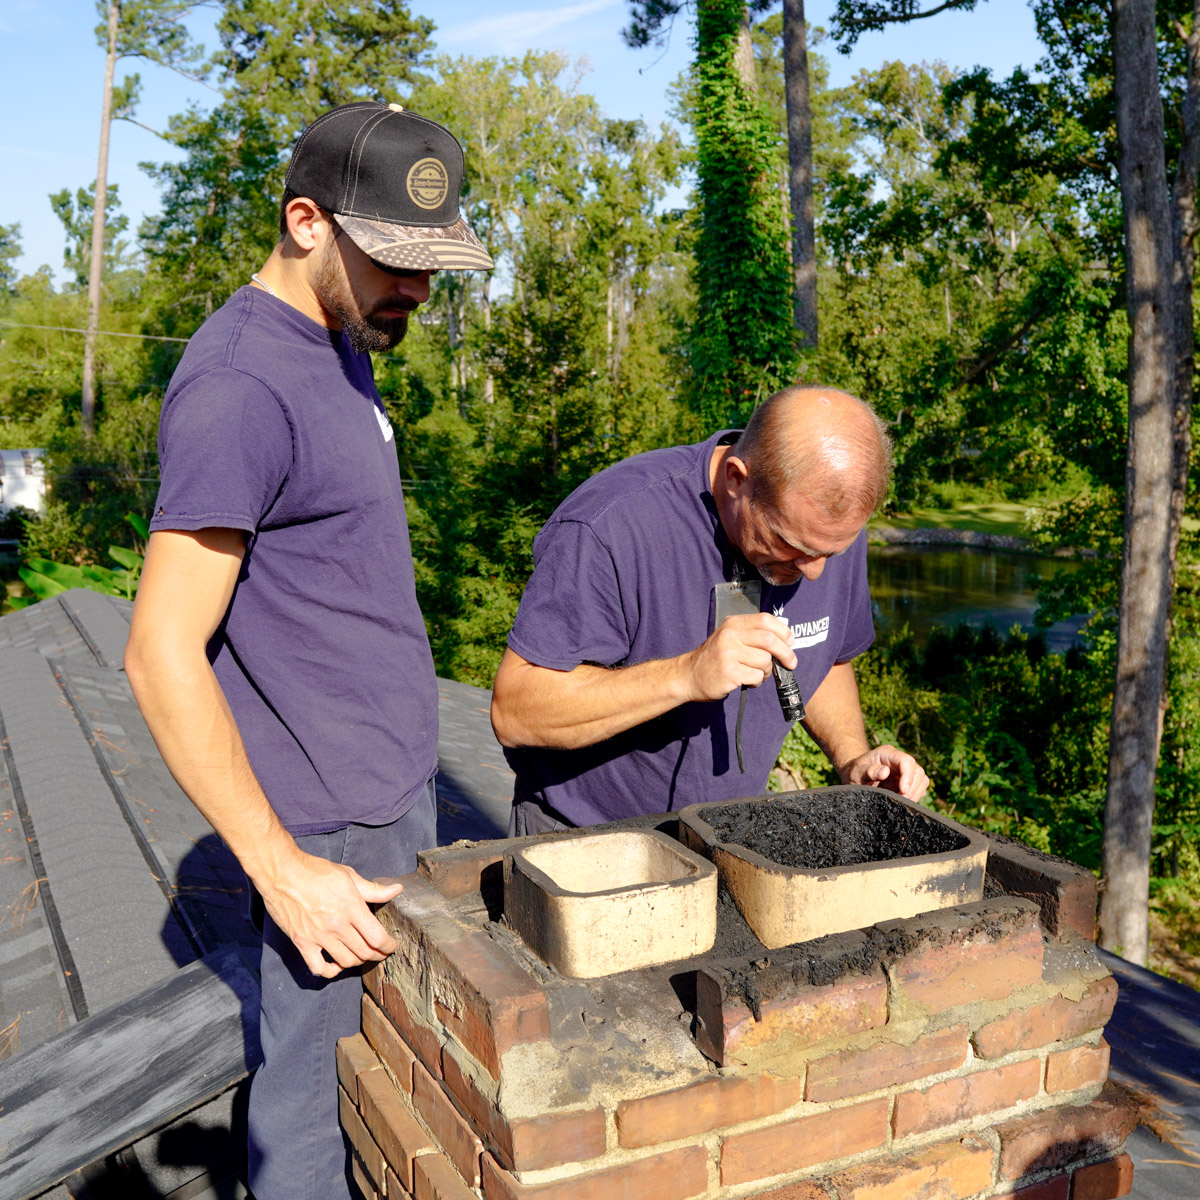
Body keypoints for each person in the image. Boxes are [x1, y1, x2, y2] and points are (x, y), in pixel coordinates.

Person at [124, 103, 492, 1200]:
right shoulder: (240, 388)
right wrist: (282, 870)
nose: (417, 288)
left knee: (380, 1079)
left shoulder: (336, 334)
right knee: (312, 1116)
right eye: (394, 260)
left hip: (383, 794)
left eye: (432, 264)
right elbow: (160, 649)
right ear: (305, 222)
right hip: (324, 830)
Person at [490, 386, 929, 834]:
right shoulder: (611, 525)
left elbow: (824, 650)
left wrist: (852, 758)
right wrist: (687, 675)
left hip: (726, 836)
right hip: (582, 836)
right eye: (789, 544)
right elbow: (515, 712)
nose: (814, 572)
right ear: (737, 479)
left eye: (831, 553)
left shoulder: (822, 533)